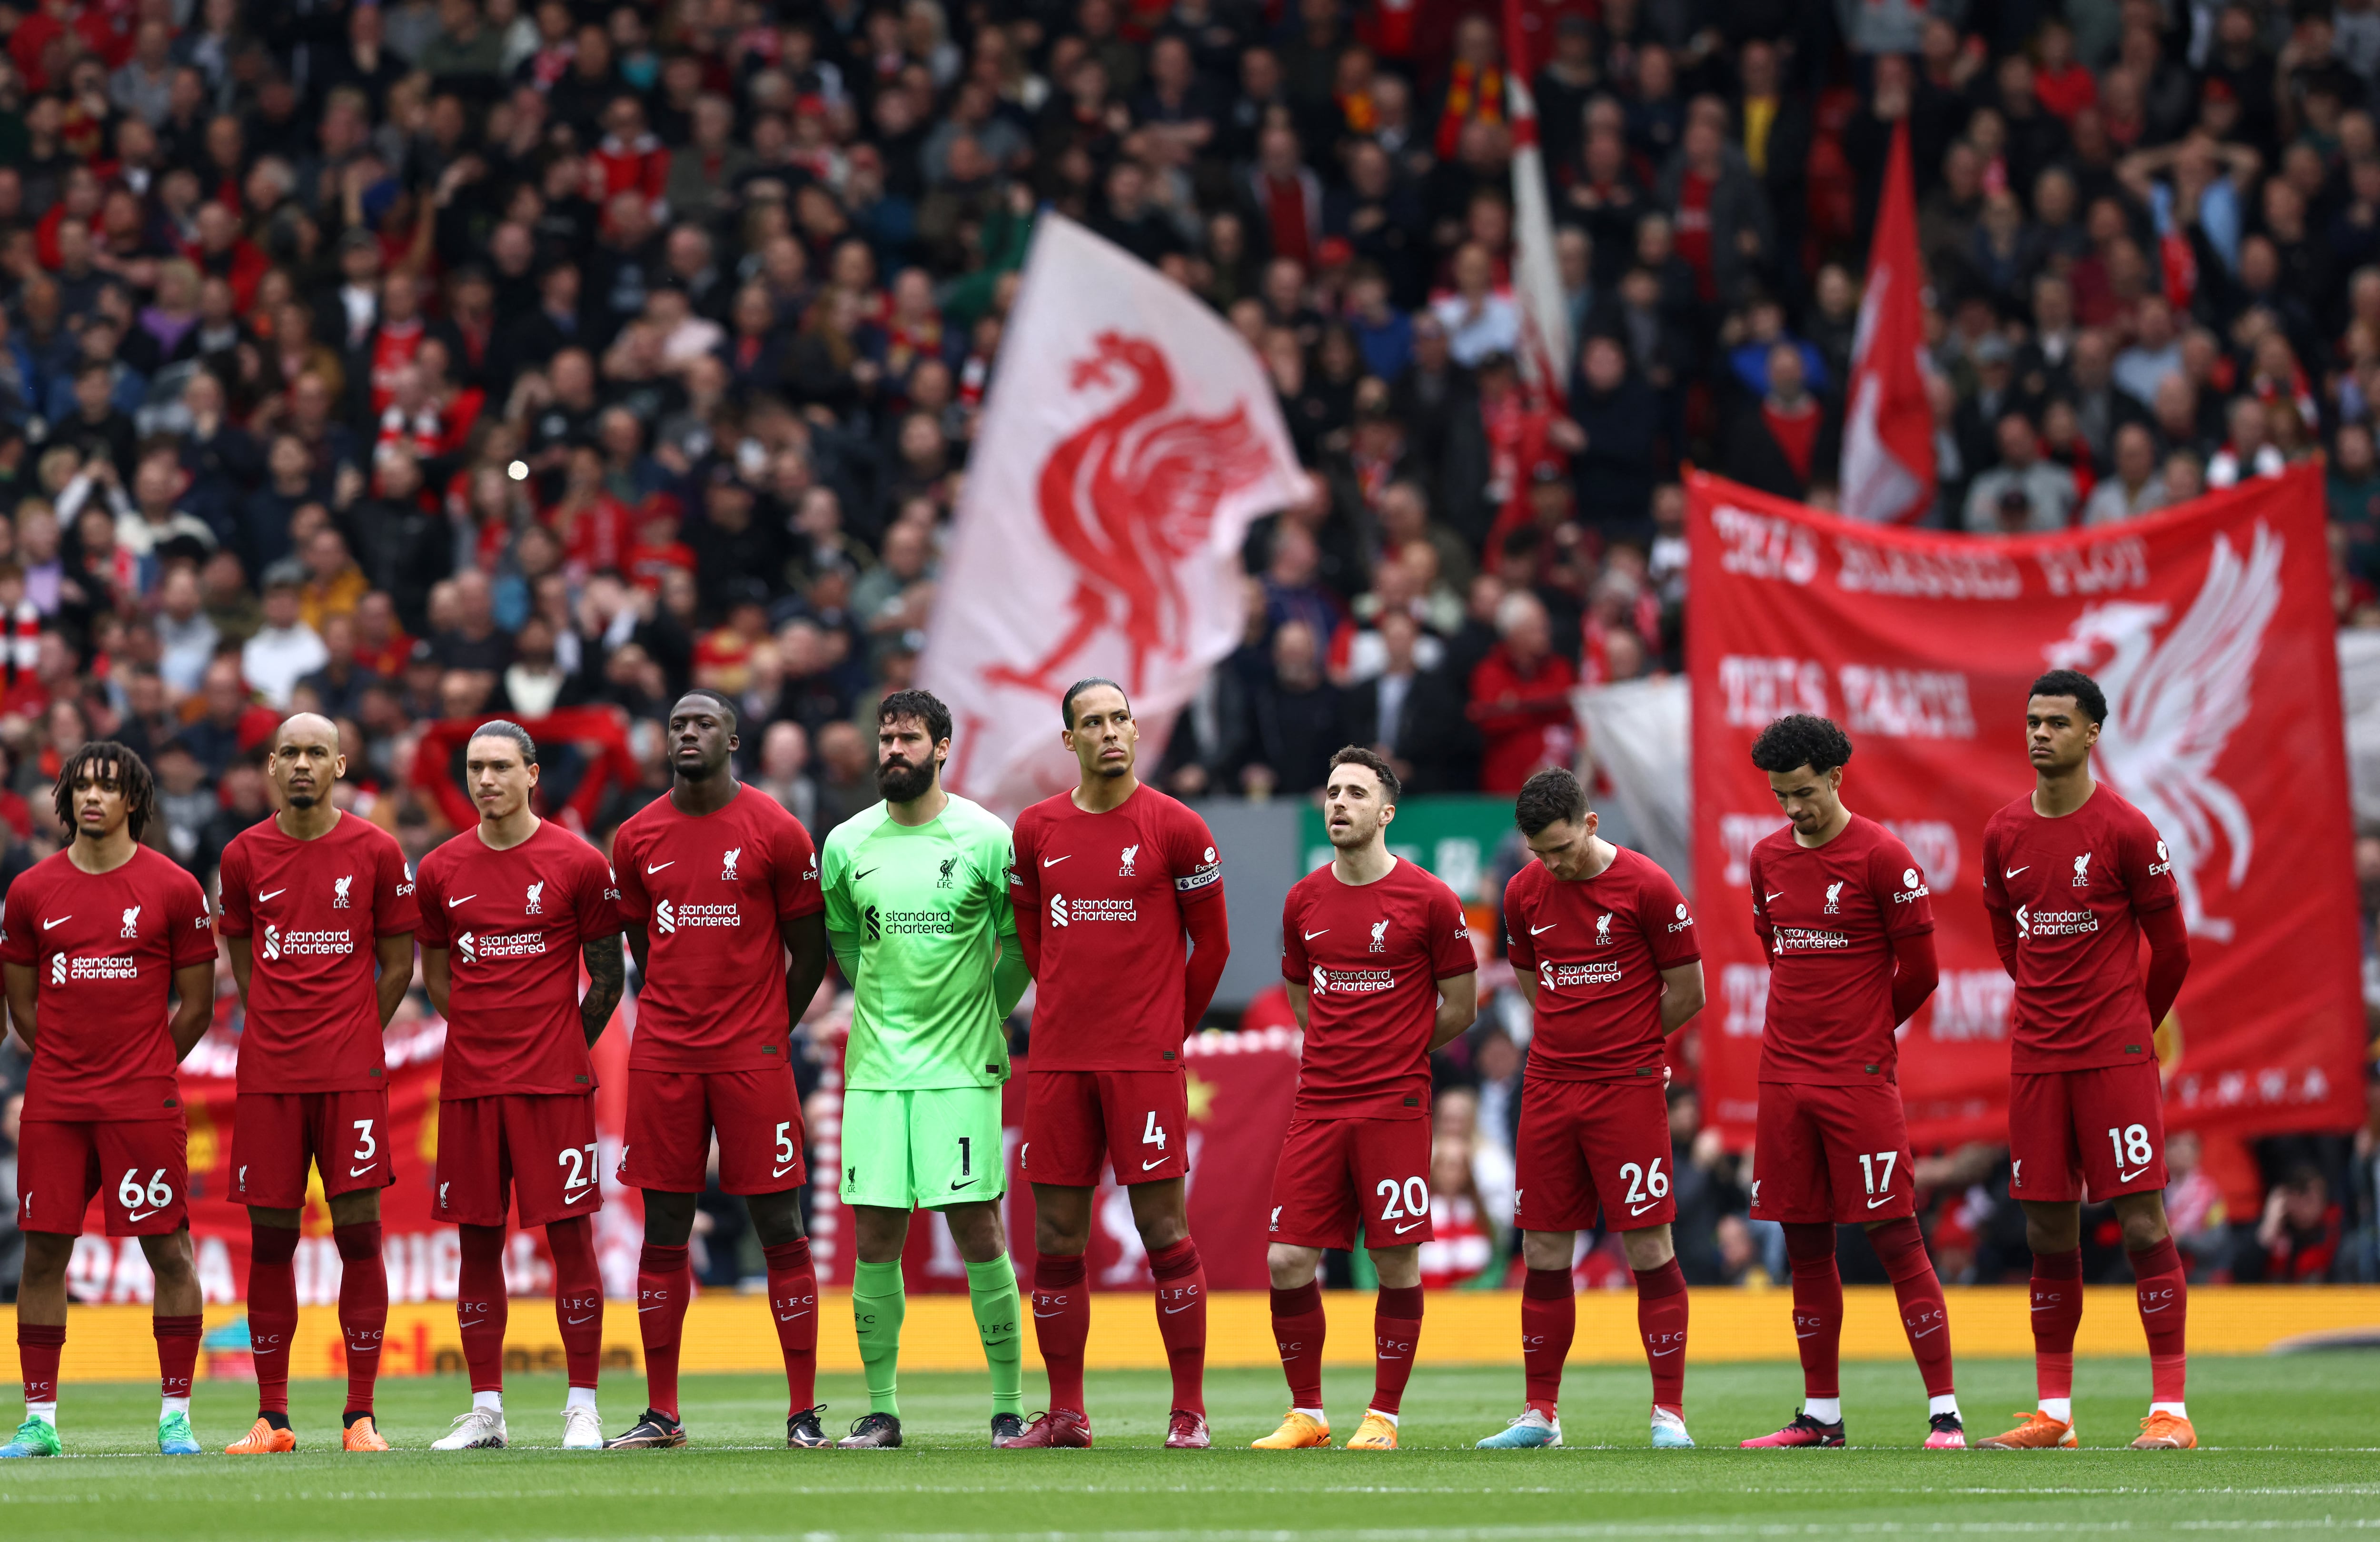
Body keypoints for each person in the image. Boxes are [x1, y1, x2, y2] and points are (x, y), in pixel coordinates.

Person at [1004, 678, 1230, 1450]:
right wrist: (1066, 1004)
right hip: (1063, 1060)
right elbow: (1035, 941)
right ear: (1069, 741)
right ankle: (1067, 1414)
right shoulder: (1035, 830)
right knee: (1056, 1238)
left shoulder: (1178, 827)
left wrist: (1167, 1033)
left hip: (1144, 1061)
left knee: (1164, 1230)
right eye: (1092, 722)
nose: (1109, 732)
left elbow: (1216, 946)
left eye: (1119, 719)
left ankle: (1189, 1411)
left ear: (1136, 730)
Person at [604, 689, 831, 1451]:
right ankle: (662, 1413)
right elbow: (642, 943)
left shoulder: (778, 831)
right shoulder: (636, 838)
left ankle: (802, 1413)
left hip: (751, 1057)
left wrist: (769, 1028)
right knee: (664, 1228)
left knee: (779, 1224)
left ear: (734, 741)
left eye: (704, 724)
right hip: (666, 1053)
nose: (688, 734)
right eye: (677, 725)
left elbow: (811, 954)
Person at [1976, 670, 2195, 1451]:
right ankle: (2055, 1416)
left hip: (2114, 1055)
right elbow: (2007, 936)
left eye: (2058, 723)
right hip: (2037, 1056)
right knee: (2045, 1233)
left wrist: (2133, 1025)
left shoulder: (2128, 831)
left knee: (2141, 1221)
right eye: (2033, 720)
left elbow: (2171, 952)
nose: (2041, 733)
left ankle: (2171, 1409)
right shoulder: (2004, 832)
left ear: (2093, 733)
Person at [1739, 715, 1964, 1451]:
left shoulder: (1883, 857)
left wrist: (1867, 1033)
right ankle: (1822, 1416)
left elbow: (1922, 974)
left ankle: (1945, 1413)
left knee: (1896, 1236)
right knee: (1804, 1244)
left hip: (1856, 1079)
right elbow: (1779, 953)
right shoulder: (1767, 859)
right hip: (1784, 1078)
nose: (1793, 808)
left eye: (1803, 792)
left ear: (1836, 776)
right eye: (1780, 796)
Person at [819, 690, 1031, 1450]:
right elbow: (846, 941)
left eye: (908, 739)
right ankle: (882, 1410)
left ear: (942, 748)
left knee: (978, 1228)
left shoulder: (985, 837)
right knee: (876, 1233)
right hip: (876, 1068)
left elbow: (1018, 943)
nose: (893, 752)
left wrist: (984, 1013)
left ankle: (1009, 1408)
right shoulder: (847, 843)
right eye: (886, 739)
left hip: (960, 1069)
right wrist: (881, 1004)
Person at [412, 721, 626, 1452]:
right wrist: (483, 1033)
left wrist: (558, 1043)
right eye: (476, 768)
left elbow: (607, 978)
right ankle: (486, 1411)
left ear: (534, 774)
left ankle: (583, 1406)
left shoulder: (579, 863)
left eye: (502, 766)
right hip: (471, 1085)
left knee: (573, 1242)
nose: (487, 781)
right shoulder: (440, 869)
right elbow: (438, 976)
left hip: (553, 1087)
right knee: (477, 1245)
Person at [1257, 747, 1478, 1452]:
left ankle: (1383, 1415)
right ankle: (1308, 1413)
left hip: (1394, 1105)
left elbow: (1463, 1005)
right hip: (1319, 1103)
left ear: (1386, 812)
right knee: (1287, 1259)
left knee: (1394, 1262)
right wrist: (1339, 1048)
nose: (1339, 803)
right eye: (1331, 792)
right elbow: (1301, 997)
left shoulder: (1431, 900)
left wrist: (1400, 1049)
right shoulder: (1303, 901)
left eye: (1355, 793)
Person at [0, 743, 215, 1459]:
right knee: (41, 1257)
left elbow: (196, 1007)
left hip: (140, 1099)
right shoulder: (31, 891)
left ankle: (176, 1416)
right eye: (81, 786)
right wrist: (68, 1061)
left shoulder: (176, 888)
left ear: (135, 801)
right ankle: (39, 1422)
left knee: (169, 1252)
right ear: (66, 800)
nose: (93, 797)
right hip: (57, 1100)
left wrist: (145, 1067)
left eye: (109, 786)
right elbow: (22, 1006)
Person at [1482, 768, 1705, 1451]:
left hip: (1627, 1086)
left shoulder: (1649, 887)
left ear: (1591, 825)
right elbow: (1531, 980)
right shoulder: (1524, 893)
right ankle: (1540, 1415)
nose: (1552, 864)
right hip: (1549, 1085)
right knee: (1543, 1246)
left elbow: (1687, 992)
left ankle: (1669, 1413)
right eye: (1539, 852)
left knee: (1647, 1244)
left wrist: (1632, 1043)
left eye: (1561, 848)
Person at [216, 713, 418, 1454]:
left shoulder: (376, 849)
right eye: (291, 753)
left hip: (349, 1076)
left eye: (317, 753)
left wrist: (354, 1031)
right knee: (271, 1243)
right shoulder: (242, 856)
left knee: (358, 1237)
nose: (303, 764)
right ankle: (273, 1418)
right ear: (273, 766)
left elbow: (399, 965)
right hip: (270, 1075)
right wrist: (277, 1022)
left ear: (341, 764)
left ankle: (359, 1416)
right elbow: (241, 957)